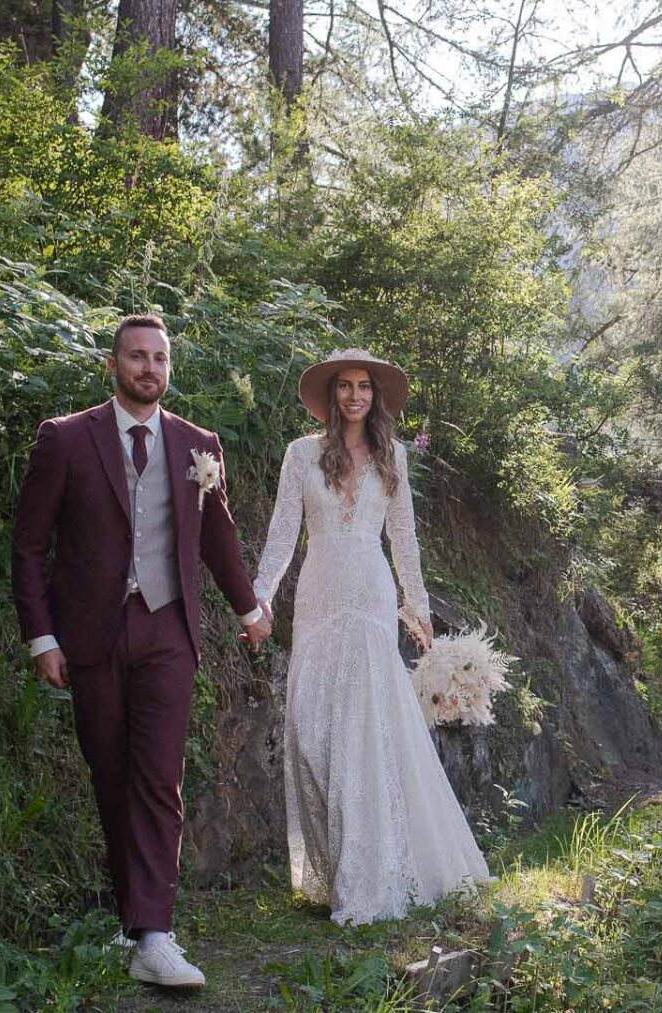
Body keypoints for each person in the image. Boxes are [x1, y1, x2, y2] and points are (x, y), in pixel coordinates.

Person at [11, 314, 271, 988]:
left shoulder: (197, 444)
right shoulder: (65, 440)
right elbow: (30, 544)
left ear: (169, 368)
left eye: (159, 358)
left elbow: (219, 538)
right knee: (111, 774)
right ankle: (133, 922)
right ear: (112, 365)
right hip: (90, 635)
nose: (149, 368)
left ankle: (157, 933)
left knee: (159, 777)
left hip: (167, 633)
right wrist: (42, 635)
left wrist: (248, 607)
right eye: (136, 357)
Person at [253, 348, 491, 926]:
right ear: (332, 396)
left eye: (364, 387)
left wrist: (419, 607)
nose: (355, 395)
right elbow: (284, 533)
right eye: (345, 387)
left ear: (375, 397)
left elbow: (404, 540)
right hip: (317, 599)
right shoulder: (301, 454)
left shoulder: (394, 458)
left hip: (371, 599)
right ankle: (335, 866)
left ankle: (370, 876)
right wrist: (259, 594)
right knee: (314, 727)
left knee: (367, 731)